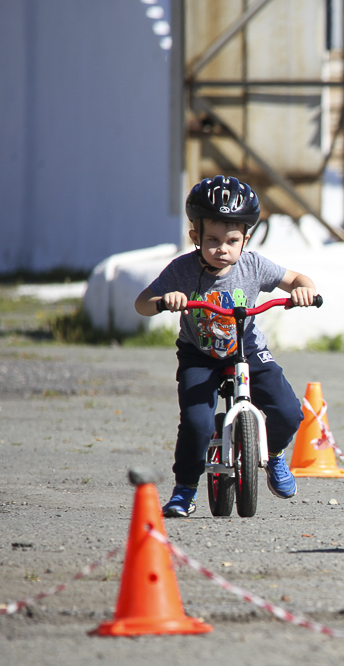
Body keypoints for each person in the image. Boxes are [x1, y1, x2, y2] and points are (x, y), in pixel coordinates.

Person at [134, 175, 317, 517]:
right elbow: (142, 303)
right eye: (213, 240)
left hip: (244, 346)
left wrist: (303, 290)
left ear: (245, 239)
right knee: (197, 424)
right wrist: (164, 300)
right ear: (195, 237)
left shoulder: (253, 265)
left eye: (232, 240)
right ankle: (185, 489)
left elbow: (296, 279)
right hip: (198, 354)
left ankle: (274, 455)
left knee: (289, 411)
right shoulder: (182, 271)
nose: (223, 249)